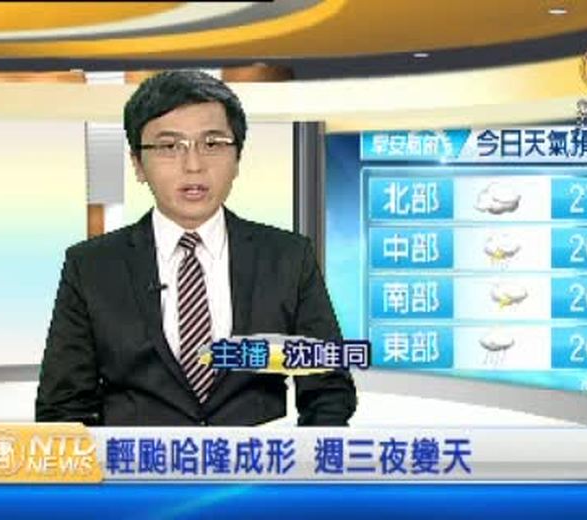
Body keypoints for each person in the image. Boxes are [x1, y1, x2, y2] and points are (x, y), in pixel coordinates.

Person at [36, 70, 357, 426]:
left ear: (237, 158)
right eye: (169, 146)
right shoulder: (91, 266)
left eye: (213, 144)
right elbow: (63, 408)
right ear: (138, 164)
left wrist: (295, 459)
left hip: (254, 462)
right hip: (139, 462)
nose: (193, 166)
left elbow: (330, 391)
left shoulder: (289, 257)